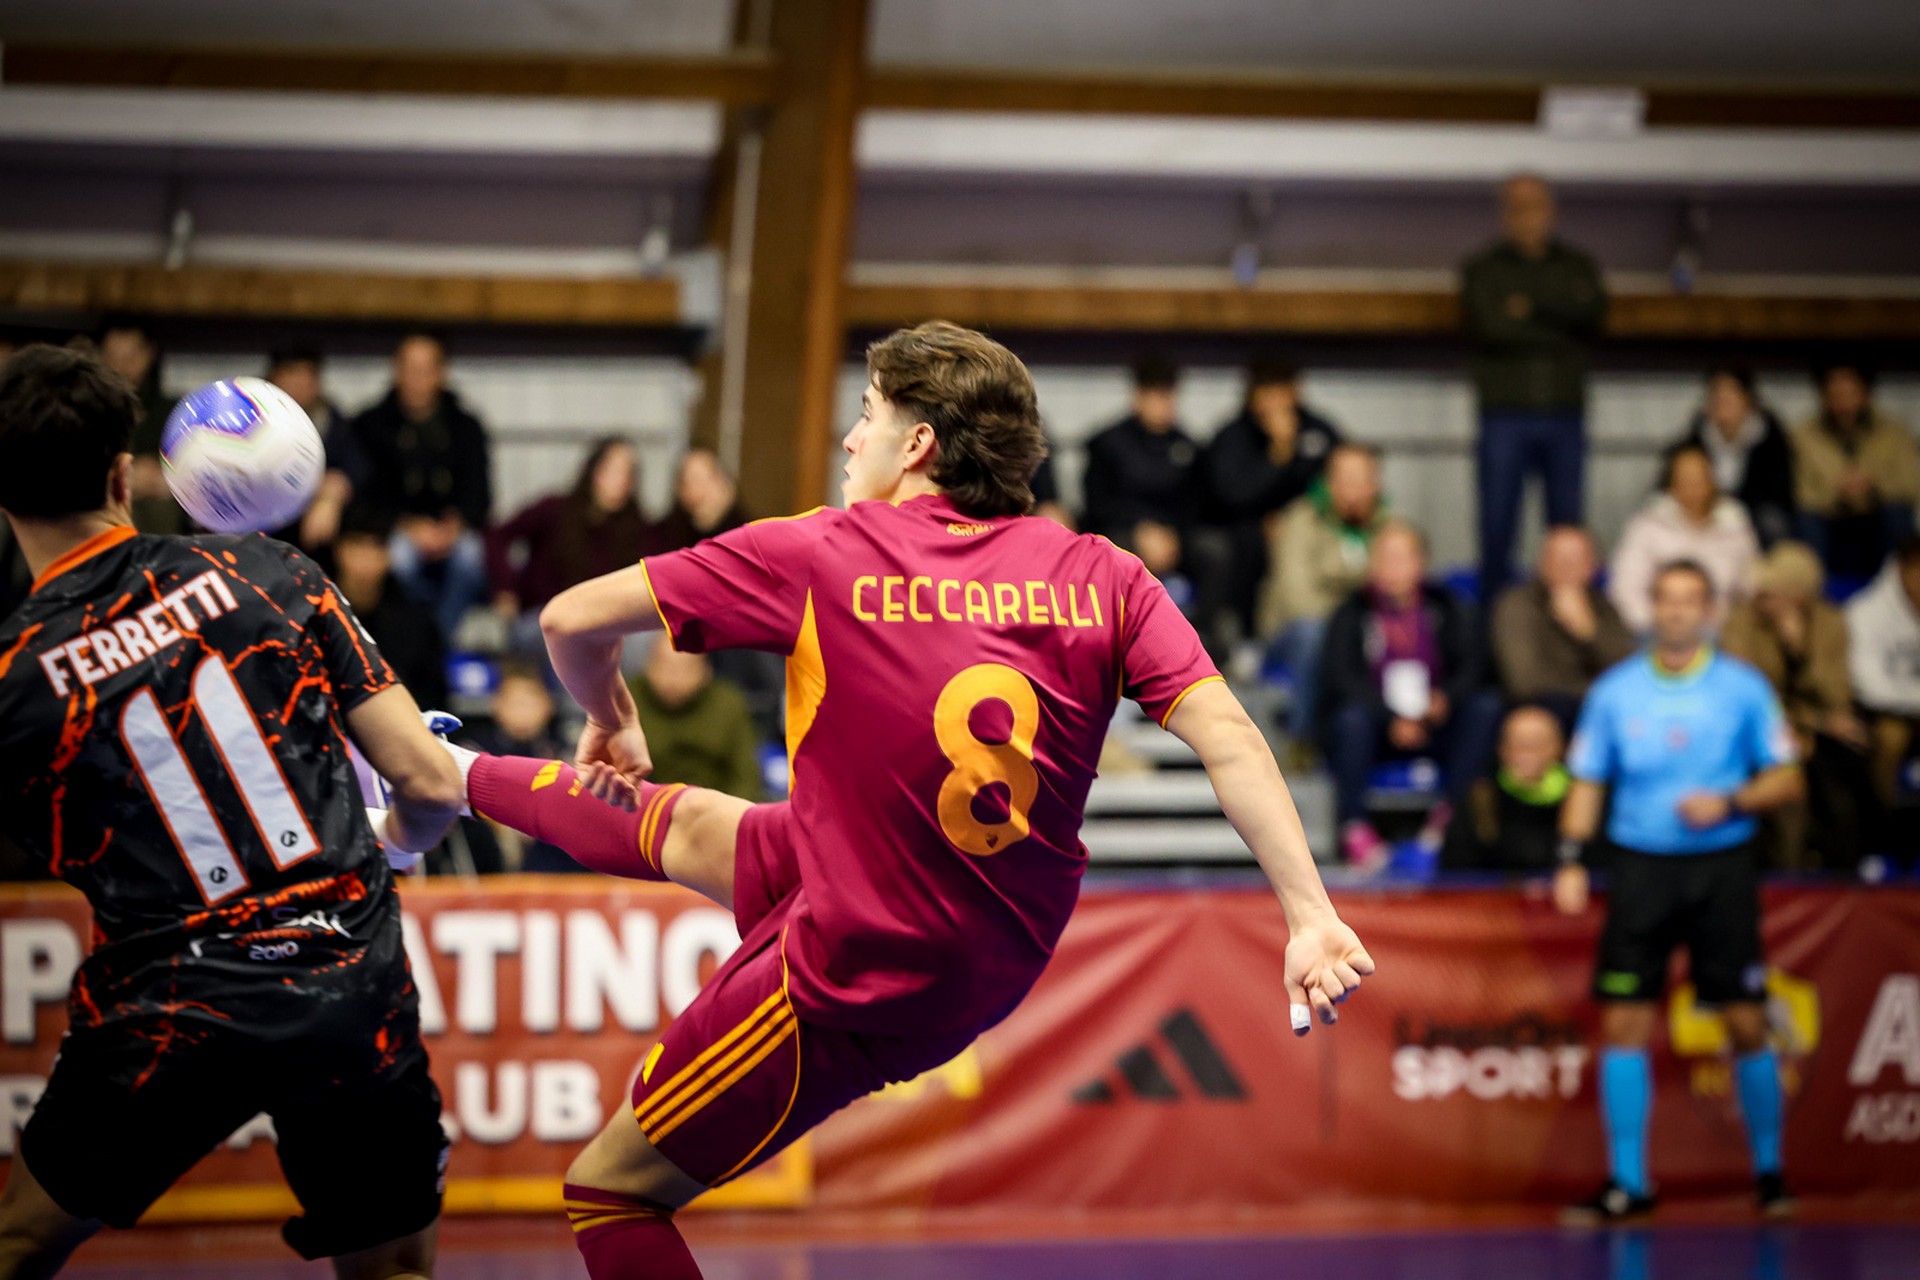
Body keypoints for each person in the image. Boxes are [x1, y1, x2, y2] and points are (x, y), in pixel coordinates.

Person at [431, 321, 1372, 1280]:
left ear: (918, 443)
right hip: (992, 956)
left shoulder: (827, 551)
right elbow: (1232, 737)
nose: (851, 438)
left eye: (868, 414)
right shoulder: (1105, 574)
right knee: (717, 829)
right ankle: (451, 776)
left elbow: (568, 619)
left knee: (611, 1191)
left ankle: (442, 779)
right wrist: (1309, 914)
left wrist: (612, 711)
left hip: (865, 966)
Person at [0, 345, 465, 1276]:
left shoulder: (13, 678)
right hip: (341, 978)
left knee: (20, 1243)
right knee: (393, 1267)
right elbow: (432, 783)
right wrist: (394, 842)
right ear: (123, 474)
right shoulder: (270, 573)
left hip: (168, 1005)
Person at [1555, 559, 1803, 1222]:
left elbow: (1787, 777)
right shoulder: (1615, 692)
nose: (1677, 611)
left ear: (1709, 610)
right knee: (1624, 1020)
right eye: (1666, 599)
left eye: (1690, 600)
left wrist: (1730, 802)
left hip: (1722, 867)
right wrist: (1571, 857)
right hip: (1642, 868)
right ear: (1652, 608)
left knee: (1746, 1019)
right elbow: (1587, 778)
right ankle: (1628, 1183)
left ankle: (1771, 1174)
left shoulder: (1743, 688)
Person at [1318, 520, 1502, 866]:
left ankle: (1450, 818)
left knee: (1484, 708)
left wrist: (1444, 698)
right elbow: (1341, 677)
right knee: (1350, 719)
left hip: (1435, 721)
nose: (1392, 568)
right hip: (1378, 728)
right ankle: (1354, 827)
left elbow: (1472, 665)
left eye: (1401, 558)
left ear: (1421, 564)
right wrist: (1390, 717)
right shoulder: (1351, 612)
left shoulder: (1447, 606)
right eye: (1384, 558)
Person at [1460, 174, 1608, 595]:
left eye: (1536, 207)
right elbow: (1492, 328)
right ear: (1504, 215)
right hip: (1504, 413)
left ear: (1551, 212)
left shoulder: (1577, 265)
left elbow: (1592, 315)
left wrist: (1529, 306)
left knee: (1567, 530)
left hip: (1564, 412)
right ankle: (1494, 625)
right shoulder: (1484, 268)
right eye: (1518, 208)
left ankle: (1567, 618)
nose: (1528, 217)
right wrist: (1559, 319)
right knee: (1496, 528)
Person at [1721, 542, 1872, 871]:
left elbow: (1837, 696)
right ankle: (1789, 872)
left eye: (1771, 592)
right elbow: (1746, 696)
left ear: (1798, 597)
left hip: (1816, 727)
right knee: (1791, 775)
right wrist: (1803, 727)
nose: (1760, 596)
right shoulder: (1741, 622)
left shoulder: (1830, 623)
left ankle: (1854, 867)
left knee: (1852, 761)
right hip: (1762, 727)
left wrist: (1799, 649)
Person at [339, 333, 493, 640]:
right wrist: (406, 525)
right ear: (396, 371)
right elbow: (365, 497)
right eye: (410, 369)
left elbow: (480, 493)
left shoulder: (465, 426)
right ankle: (411, 636)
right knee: (400, 558)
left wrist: (456, 524)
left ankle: (439, 640)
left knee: (471, 557)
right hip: (394, 530)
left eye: (426, 370)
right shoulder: (370, 424)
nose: (417, 379)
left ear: (441, 374)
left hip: (452, 532)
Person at [1204, 355, 1342, 640]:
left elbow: (1336, 485)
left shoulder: (1319, 431)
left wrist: (1295, 519)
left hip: (1313, 523)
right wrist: (1278, 455)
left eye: (1282, 392)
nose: (1275, 403)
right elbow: (1229, 495)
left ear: (1296, 392)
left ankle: (1334, 629)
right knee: (1242, 543)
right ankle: (1247, 637)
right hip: (1249, 527)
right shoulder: (1233, 436)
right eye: (1267, 394)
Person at [1258, 443, 1389, 743]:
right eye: (1345, 479)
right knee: (1313, 634)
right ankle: (1302, 738)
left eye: (1361, 480)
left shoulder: (1388, 527)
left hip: (1359, 631)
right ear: (1328, 482)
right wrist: (1350, 620)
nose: (1352, 490)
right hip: (1292, 634)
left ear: (1375, 484)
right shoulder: (1300, 519)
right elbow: (1296, 599)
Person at [488, 437, 651, 660]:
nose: (618, 480)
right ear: (593, 470)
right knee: (563, 638)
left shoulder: (637, 529)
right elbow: (497, 535)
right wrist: (506, 587)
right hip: (543, 618)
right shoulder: (555, 510)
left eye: (627, 473)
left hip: (601, 627)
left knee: (636, 642)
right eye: (611, 470)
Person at [1490, 525, 1635, 729]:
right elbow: (1524, 683)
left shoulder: (1603, 606)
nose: (1566, 566)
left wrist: (1588, 631)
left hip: (1600, 705)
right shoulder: (1517, 604)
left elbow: (1629, 672)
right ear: (1542, 564)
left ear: (1592, 567)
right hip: (1542, 707)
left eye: (1575, 559)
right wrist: (1595, 692)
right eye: (1558, 558)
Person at [1608, 444, 1761, 635]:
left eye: (1700, 476)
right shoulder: (1646, 526)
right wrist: (1657, 627)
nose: (1694, 485)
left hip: (1723, 633)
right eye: (1685, 478)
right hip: (1656, 633)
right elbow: (1625, 589)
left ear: (1714, 481)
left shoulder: (1735, 526)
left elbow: (1751, 584)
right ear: (1672, 486)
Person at [1791, 363, 1919, 580]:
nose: (1842, 402)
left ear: (1866, 394)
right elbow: (1799, 492)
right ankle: (1817, 591)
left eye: (1849, 393)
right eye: (1835, 394)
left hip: (1877, 516)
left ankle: (1895, 587)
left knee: (1898, 515)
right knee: (1806, 521)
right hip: (1829, 519)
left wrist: (1872, 487)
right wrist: (1838, 492)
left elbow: (1910, 485)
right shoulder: (1803, 435)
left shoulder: (1895, 432)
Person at [1079, 356, 1201, 583]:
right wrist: (1140, 530)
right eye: (1156, 395)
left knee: (1212, 550)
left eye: (1168, 396)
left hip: (1173, 537)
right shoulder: (1108, 443)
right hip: (1123, 532)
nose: (1163, 404)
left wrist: (1172, 535)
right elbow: (1097, 504)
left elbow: (1195, 504)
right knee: (1111, 548)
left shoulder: (1186, 446)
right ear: (1138, 396)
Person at [333, 510, 449, 711]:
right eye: (357, 546)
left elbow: (434, 698)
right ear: (339, 551)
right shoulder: (316, 618)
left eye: (376, 547)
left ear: (388, 555)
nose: (366, 559)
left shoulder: (417, 624)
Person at [461, 663, 571, 873]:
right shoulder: (473, 752)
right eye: (514, 702)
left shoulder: (564, 752)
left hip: (551, 862)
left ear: (547, 705)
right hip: (489, 861)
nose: (521, 711)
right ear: (496, 704)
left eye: (529, 702)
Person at [1845, 536, 1920, 836]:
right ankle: (1882, 832)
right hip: (1881, 711)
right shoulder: (1864, 612)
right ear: (1903, 569)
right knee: (1891, 737)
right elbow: (1869, 686)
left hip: (1911, 703)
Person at [1440, 705, 1571, 875]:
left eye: (1538, 743)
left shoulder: (1579, 800)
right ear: (1502, 750)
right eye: (1518, 743)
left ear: (1561, 748)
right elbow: (1456, 873)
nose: (1527, 751)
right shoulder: (1480, 799)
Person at [1675, 366, 1795, 549]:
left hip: (1754, 509)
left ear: (1747, 399)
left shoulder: (1768, 433)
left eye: (1730, 396)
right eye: (1717, 396)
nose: (1723, 402)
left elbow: (1779, 489)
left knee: (1771, 521)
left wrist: (1736, 508)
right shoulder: (1699, 433)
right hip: (1708, 505)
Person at [628, 640, 764, 801]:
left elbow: (746, 775)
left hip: (717, 805)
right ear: (647, 666)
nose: (673, 678)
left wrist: (732, 812)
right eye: (664, 665)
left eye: (685, 668)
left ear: (707, 670)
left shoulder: (728, 703)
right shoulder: (627, 701)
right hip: (647, 806)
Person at [97, 320, 183, 536]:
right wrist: (121, 479)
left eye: (131, 357)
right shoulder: (86, 412)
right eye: (113, 358)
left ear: (149, 354)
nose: (122, 367)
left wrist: (167, 479)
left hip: (160, 515)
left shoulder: (174, 413)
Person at [263, 349, 351, 554]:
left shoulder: (334, 423)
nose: (300, 382)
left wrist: (331, 497)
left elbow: (354, 469)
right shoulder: (248, 420)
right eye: (291, 373)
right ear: (273, 378)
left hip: (311, 526)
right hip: (259, 520)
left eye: (308, 374)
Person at [649, 447, 747, 553]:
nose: (695, 490)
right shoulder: (663, 534)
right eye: (687, 481)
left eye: (701, 479)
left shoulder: (744, 533)